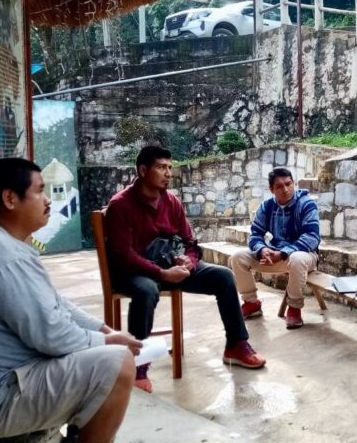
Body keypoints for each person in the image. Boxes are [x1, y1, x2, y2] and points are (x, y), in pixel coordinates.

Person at [0, 158, 141, 443]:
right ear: (10, 199)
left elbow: (54, 303)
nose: (48, 200)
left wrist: (103, 330)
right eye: (39, 191)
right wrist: (109, 342)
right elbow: (53, 335)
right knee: (119, 364)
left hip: (2, 390)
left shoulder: (3, 246)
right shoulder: (0, 257)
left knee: (104, 352)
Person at [104, 146, 265, 392]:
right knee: (146, 290)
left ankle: (236, 345)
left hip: (172, 267)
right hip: (135, 272)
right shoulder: (121, 205)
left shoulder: (172, 202)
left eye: (170, 167)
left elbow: (190, 242)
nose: (168, 173)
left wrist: (188, 261)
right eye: (161, 167)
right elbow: (122, 256)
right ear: (143, 170)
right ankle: (139, 364)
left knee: (223, 276)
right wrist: (161, 273)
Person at [229, 167, 321, 330]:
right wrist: (262, 250)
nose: (285, 190)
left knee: (297, 258)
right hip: (275, 255)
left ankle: (294, 308)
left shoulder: (306, 204)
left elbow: (312, 237)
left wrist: (283, 253)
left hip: (305, 257)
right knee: (238, 257)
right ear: (271, 189)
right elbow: (255, 234)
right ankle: (252, 303)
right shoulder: (267, 207)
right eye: (279, 186)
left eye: (289, 184)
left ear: (293, 184)